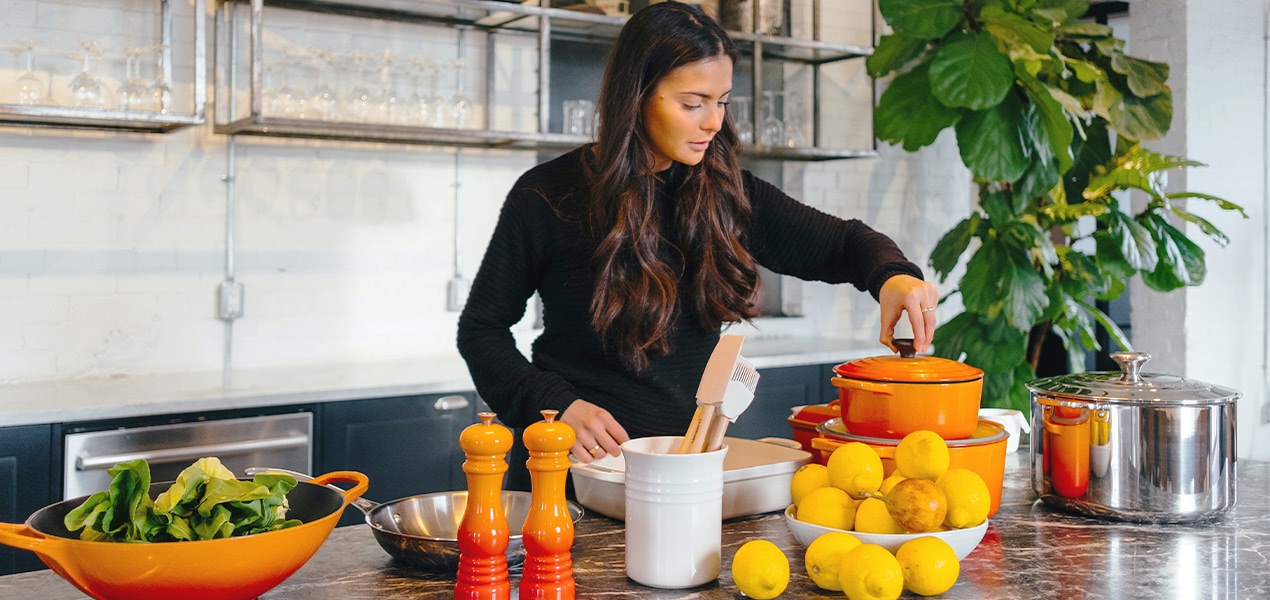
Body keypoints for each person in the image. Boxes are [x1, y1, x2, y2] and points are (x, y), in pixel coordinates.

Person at [457, 1, 940, 473]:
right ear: (637, 95)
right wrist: (555, 406)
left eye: (722, 102)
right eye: (693, 103)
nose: (713, 122)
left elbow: (844, 244)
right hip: (570, 474)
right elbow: (481, 331)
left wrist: (892, 276)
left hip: (684, 473)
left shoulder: (726, 192)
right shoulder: (547, 195)